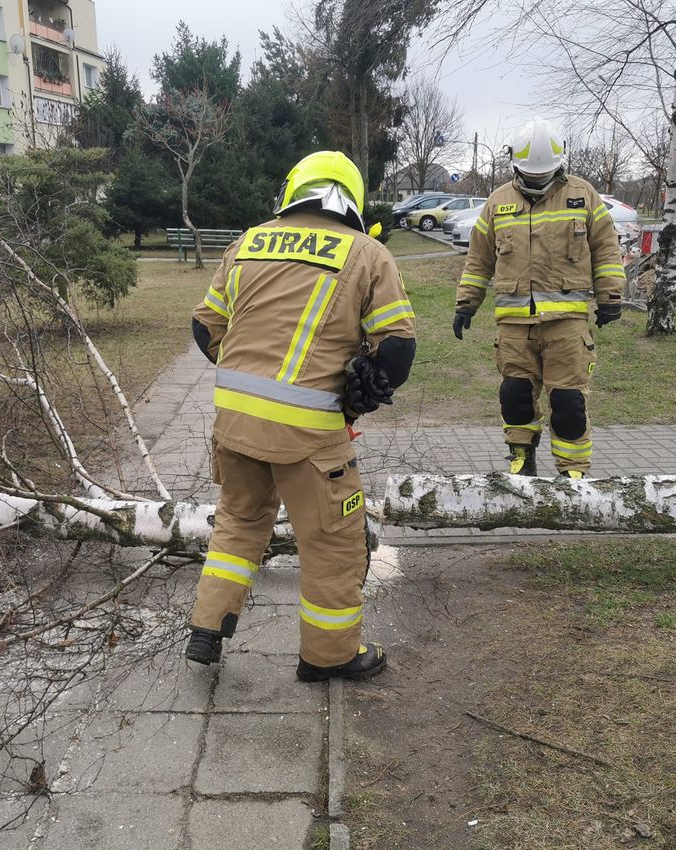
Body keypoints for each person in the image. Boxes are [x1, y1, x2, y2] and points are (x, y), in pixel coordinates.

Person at [185, 151, 416, 681]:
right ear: (351, 198)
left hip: (234, 426)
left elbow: (204, 329)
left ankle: (206, 627)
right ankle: (328, 657)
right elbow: (398, 348)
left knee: (239, 524)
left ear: (294, 191)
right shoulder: (367, 253)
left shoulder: (248, 241)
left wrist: (251, 379)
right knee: (334, 541)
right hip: (310, 438)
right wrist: (361, 389)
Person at [452, 117, 625, 478]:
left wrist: (611, 296)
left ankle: (572, 474)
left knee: (568, 403)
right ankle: (521, 460)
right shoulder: (498, 202)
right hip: (515, 327)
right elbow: (479, 258)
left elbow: (606, 247)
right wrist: (466, 303)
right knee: (515, 397)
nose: (536, 181)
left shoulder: (583, 195)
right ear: (515, 164)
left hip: (567, 326)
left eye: (542, 175)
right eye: (529, 176)